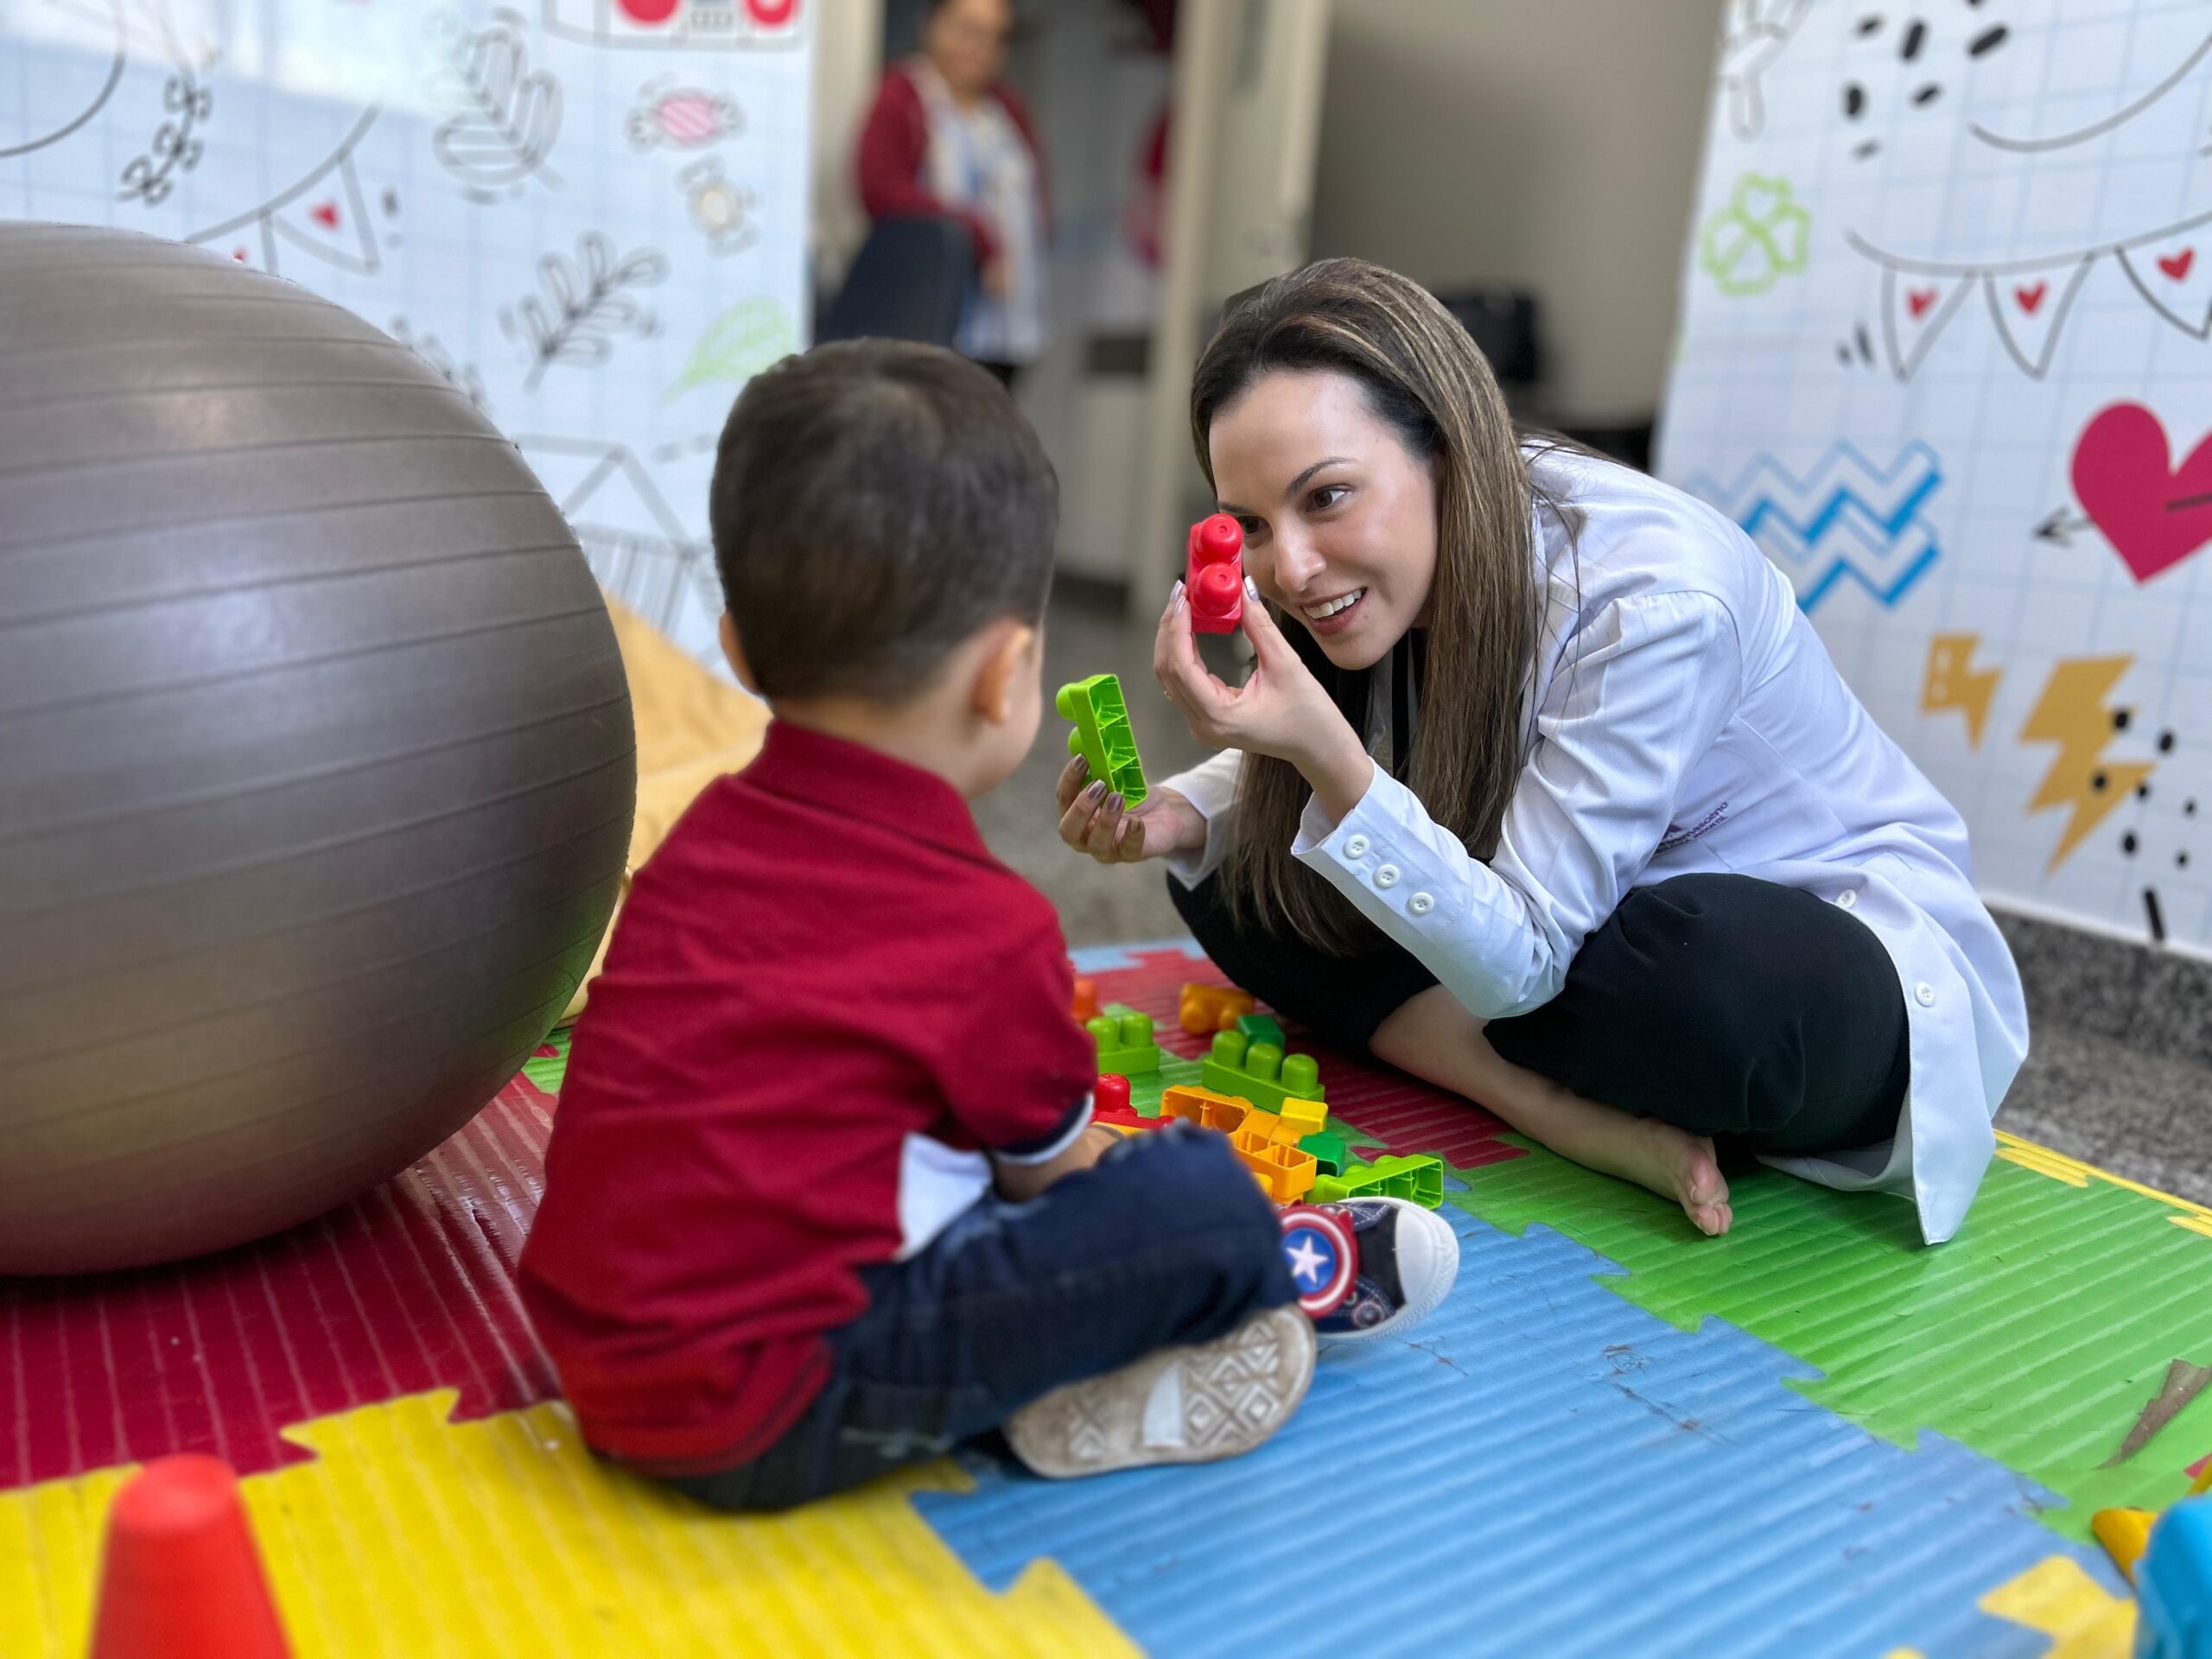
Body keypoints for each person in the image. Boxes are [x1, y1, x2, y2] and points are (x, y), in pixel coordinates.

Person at [516, 341, 1460, 1514]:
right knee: (1191, 1194)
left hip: (589, 1353)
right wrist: (1171, 1195)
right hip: (765, 1409)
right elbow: (1054, 1183)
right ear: (1009, 675)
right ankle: (1275, 1268)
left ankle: (1067, 1361)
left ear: (742, 652)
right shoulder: (982, 925)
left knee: (929, 1146)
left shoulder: (692, 845)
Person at [1056, 259, 2029, 1248]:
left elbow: (1517, 962)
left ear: (1443, 448)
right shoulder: (1397, 562)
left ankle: (1525, 1063)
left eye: (1328, 498)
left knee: (1691, 977)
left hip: (1799, 949)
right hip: (1549, 935)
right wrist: (1183, 812)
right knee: (1235, 867)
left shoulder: (1650, 598)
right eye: (1254, 526)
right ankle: (1540, 1098)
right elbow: (1376, 768)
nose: (1293, 568)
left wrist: (1323, 759)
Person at [856, 0, 1048, 386]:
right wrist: (979, 235)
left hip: (1005, 326)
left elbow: (1031, 196)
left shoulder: (1005, 106)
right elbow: (880, 189)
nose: (981, 47)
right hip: (930, 322)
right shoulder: (904, 95)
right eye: (968, 30)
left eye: (997, 37)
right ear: (931, 25)